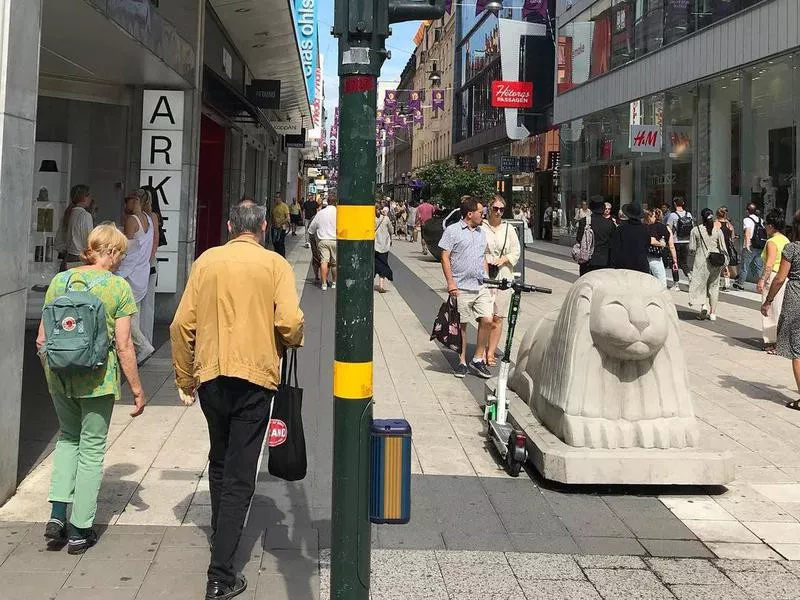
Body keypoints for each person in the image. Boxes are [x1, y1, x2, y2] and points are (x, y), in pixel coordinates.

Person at [170, 199, 304, 600]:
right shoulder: (275, 265)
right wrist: (292, 339)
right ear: (263, 227)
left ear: (230, 226)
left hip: (211, 375)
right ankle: (222, 573)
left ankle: (220, 535)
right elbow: (290, 321)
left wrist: (185, 377)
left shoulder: (207, 262)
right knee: (241, 473)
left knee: (220, 457)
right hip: (255, 377)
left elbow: (181, 324)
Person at [37, 224, 145, 554]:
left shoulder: (60, 281)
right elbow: (125, 346)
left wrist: (56, 370)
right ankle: (80, 528)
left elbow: (42, 338)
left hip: (59, 378)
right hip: (98, 380)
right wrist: (138, 390)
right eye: (121, 253)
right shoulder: (118, 288)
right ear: (109, 253)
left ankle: (57, 515)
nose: (122, 259)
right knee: (92, 449)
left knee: (68, 440)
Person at [439, 196, 493, 379]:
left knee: (487, 320)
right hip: (461, 286)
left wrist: (488, 279)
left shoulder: (481, 232)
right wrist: (451, 283)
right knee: (461, 325)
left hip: (480, 286)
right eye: (480, 212)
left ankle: (477, 359)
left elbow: (482, 257)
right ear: (470, 214)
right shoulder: (453, 231)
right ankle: (462, 361)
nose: (483, 215)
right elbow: (445, 257)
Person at [762, 210, 800, 410]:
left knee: (797, 350)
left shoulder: (792, 248)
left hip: (796, 299)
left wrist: (768, 301)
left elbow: (779, 279)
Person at [116, 189, 155, 364]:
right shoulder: (149, 219)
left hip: (129, 273)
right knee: (135, 313)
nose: (125, 203)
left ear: (136, 200)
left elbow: (126, 248)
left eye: (128, 199)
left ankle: (144, 346)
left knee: (124, 314)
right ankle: (133, 349)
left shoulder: (132, 220)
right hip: (142, 272)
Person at [484, 195, 521, 365]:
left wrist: (504, 259)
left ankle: (490, 352)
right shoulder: (481, 227)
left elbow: (516, 251)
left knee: (498, 317)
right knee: (486, 316)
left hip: (504, 274)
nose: (498, 212)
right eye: (495, 209)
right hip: (485, 274)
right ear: (489, 209)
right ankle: (481, 348)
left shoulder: (508, 229)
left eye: (501, 209)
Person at [757, 208, 790, 354]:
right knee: (780, 309)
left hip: (774, 277)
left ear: (771, 226)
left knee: (769, 310)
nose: (765, 227)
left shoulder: (771, 242)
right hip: (785, 277)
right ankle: (782, 340)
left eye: (765, 224)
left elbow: (769, 264)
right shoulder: (785, 240)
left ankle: (772, 342)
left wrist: (762, 279)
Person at [689, 208, 728, 321]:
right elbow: (723, 248)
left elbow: (692, 248)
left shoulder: (695, 230)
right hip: (716, 261)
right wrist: (726, 263)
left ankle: (703, 306)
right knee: (714, 287)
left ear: (702, 217)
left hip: (701, 261)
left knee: (701, 285)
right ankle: (713, 313)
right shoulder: (717, 231)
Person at [140, 186, 162, 345]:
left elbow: (154, 240)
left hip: (148, 263)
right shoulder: (140, 216)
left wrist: (147, 261)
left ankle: (146, 340)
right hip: (144, 263)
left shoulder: (151, 216)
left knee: (147, 303)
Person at [576, 196, 617, 276]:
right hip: (604, 261)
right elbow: (613, 244)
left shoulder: (583, 221)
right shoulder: (610, 224)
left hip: (587, 261)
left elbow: (579, 238)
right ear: (603, 208)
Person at [57, 185, 94, 271]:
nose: (90, 199)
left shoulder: (68, 213)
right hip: (79, 260)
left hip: (67, 258)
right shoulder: (85, 215)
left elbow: (59, 241)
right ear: (84, 197)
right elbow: (90, 240)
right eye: (89, 196)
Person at [611, 203, 651, 273]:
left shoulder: (621, 229)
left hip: (624, 265)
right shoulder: (645, 228)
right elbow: (647, 245)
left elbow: (615, 249)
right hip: (641, 264)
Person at [308, 197, 337, 290]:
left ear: (327, 202)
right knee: (334, 263)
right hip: (335, 240)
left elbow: (311, 229)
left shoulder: (320, 213)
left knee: (324, 261)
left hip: (323, 241)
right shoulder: (339, 213)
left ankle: (324, 283)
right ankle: (334, 283)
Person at [735, 203, 765, 290]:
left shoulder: (747, 220)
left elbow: (747, 232)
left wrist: (747, 245)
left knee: (745, 266)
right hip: (759, 246)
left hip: (751, 245)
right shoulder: (760, 220)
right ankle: (763, 282)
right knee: (759, 266)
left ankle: (740, 283)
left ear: (747, 210)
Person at [666, 196, 694, 285]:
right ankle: (689, 274)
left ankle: (676, 283)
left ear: (674, 204)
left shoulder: (673, 215)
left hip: (676, 241)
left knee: (674, 262)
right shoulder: (688, 214)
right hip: (686, 241)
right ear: (683, 203)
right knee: (683, 262)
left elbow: (669, 228)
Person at [645, 208, 674, 287]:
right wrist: (662, 244)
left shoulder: (647, 227)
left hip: (647, 256)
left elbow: (652, 240)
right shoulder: (663, 227)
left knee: (649, 281)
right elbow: (670, 244)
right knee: (661, 281)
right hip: (656, 256)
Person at [716, 206, 738, 290]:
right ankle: (727, 282)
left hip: (719, 246)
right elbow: (732, 236)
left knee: (717, 265)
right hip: (728, 246)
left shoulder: (716, 223)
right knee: (726, 265)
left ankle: (717, 282)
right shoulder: (729, 224)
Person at [374, 206, 395, 293]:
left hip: (375, 245)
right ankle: (382, 285)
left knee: (377, 264)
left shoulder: (371, 219)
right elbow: (391, 230)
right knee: (383, 262)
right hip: (384, 245)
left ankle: (381, 283)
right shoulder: (386, 219)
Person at [270, 192, 290, 257]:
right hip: (274, 227)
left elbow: (287, 218)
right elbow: (272, 217)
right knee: (275, 242)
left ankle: (282, 257)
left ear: (280, 198)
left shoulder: (284, 206)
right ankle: (277, 256)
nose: (276, 198)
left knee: (280, 243)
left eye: (277, 197)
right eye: (275, 197)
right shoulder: (274, 206)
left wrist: (280, 223)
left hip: (281, 228)